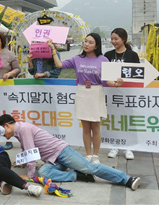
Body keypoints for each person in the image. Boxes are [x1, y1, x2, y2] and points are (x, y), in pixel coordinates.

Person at [0, 115, 141, 190]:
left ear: (7, 125)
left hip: (62, 152)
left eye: (1, 131)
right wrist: (22, 162)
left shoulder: (24, 129)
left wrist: (29, 176)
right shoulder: (19, 131)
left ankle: (126, 179)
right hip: (53, 160)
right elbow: (27, 151)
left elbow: (31, 154)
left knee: (91, 167)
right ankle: (78, 175)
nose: (2, 135)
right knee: (44, 172)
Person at [49, 34, 123, 164]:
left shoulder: (103, 59)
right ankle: (88, 155)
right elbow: (60, 65)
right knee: (85, 127)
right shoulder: (77, 59)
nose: (86, 44)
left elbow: (107, 80)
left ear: (97, 45)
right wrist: (53, 49)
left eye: (90, 42)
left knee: (96, 126)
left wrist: (117, 83)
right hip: (82, 92)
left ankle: (96, 155)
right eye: (85, 41)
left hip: (96, 92)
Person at [104, 28, 140, 160]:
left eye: (116, 39)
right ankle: (115, 145)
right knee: (114, 119)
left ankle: (129, 147)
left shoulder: (132, 55)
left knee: (127, 119)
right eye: (112, 39)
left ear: (124, 39)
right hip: (111, 93)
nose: (113, 41)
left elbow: (137, 75)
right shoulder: (107, 55)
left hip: (127, 93)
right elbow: (104, 74)